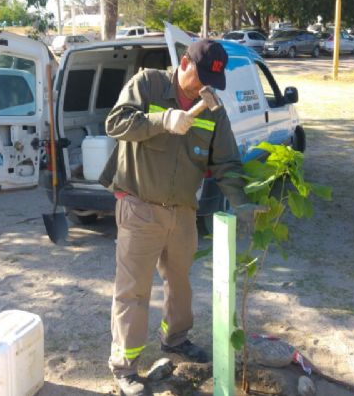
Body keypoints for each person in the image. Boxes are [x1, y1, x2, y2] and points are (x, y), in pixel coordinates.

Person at [100, 39, 261, 396]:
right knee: (133, 290)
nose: (203, 87)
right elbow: (115, 123)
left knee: (180, 281)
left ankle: (175, 340)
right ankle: (125, 367)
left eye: (211, 82)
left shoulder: (213, 111)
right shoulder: (148, 84)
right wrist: (163, 120)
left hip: (184, 211)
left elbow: (227, 164)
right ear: (184, 63)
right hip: (140, 206)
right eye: (199, 77)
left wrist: (241, 202)